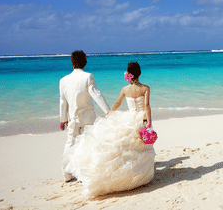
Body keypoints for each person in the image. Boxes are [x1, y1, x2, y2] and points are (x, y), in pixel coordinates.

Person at [64, 61, 156, 197]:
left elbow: (118, 103)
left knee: (128, 147)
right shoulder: (145, 88)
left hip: (129, 118)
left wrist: (110, 114)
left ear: (129, 74)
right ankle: (141, 174)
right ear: (140, 73)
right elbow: (147, 105)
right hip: (141, 118)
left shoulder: (125, 89)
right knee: (141, 145)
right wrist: (149, 121)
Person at [60, 50, 110, 183]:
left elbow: (63, 102)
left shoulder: (63, 80)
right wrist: (108, 111)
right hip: (87, 118)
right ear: (85, 62)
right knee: (89, 144)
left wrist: (63, 119)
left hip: (72, 119)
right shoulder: (88, 76)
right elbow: (96, 95)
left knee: (70, 144)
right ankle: (85, 173)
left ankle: (67, 174)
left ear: (72, 63)